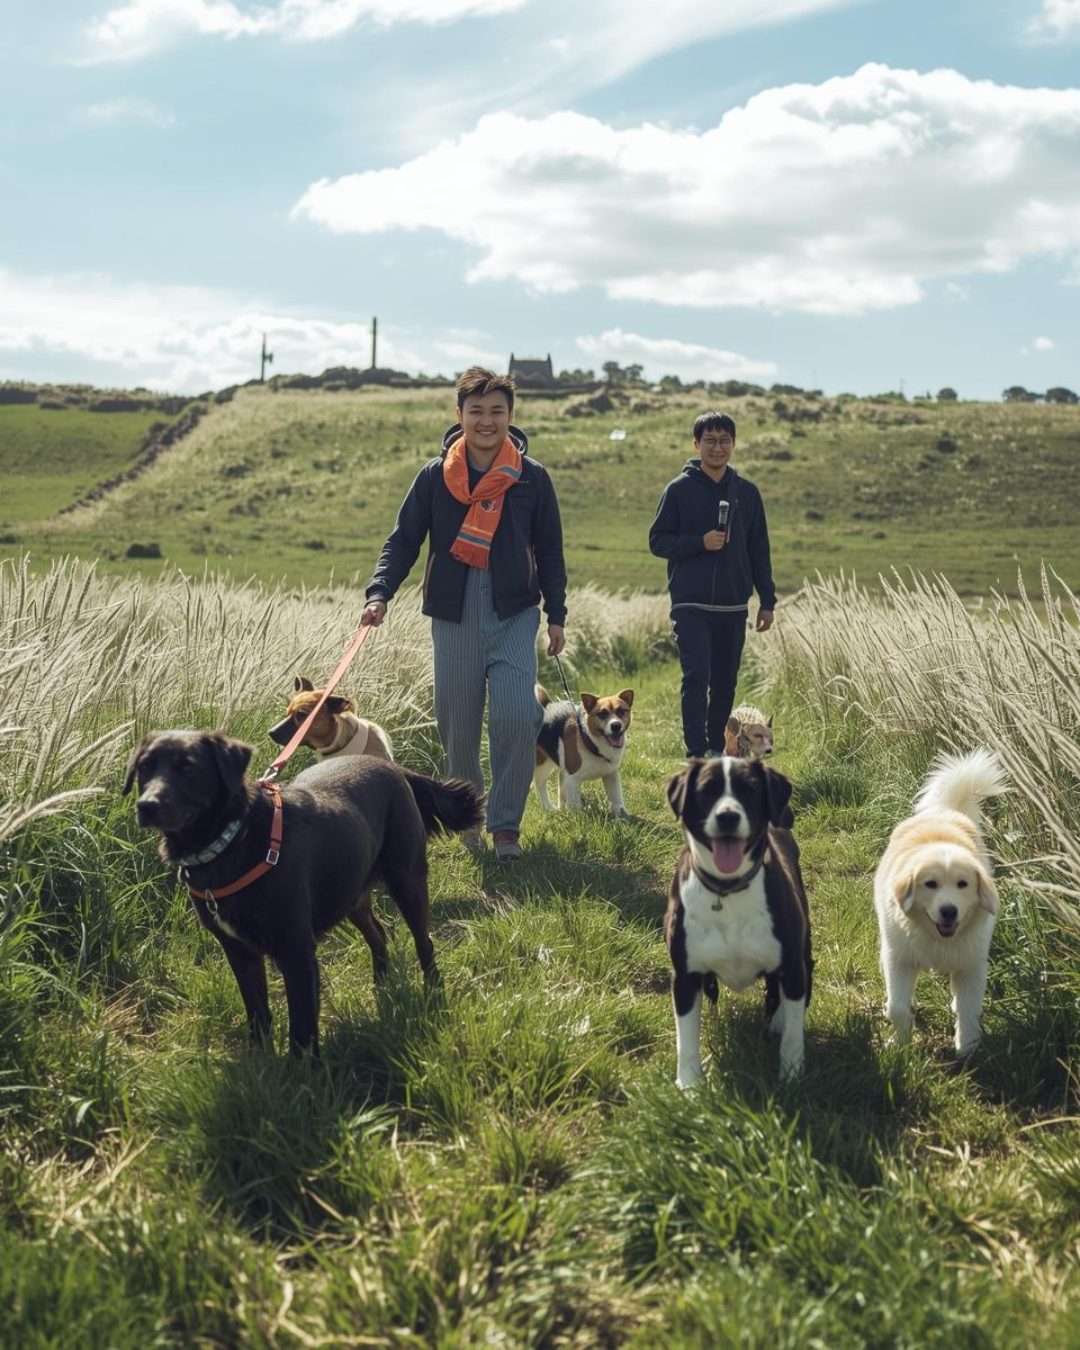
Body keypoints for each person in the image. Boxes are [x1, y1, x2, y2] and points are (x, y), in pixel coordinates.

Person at [361, 367, 567, 862]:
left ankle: (505, 827)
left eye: (497, 411)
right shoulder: (435, 477)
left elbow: (551, 550)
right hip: (452, 613)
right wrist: (380, 592)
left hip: (514, 611)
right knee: (457, 722)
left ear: (511, 417)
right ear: (460, 416)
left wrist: (556, 613)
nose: (487, 421)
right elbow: (404, 540)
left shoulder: (532, 478)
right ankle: (469, 814)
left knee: (519, 714)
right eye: (476, 411)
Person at [649, 411, 776, 760]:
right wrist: (699, 542)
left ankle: (717, 748)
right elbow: (658, 541)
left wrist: (767, 600)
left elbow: (759, 549)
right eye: (710, 440)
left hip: (734, 605)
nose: (717, 447)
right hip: (691, 604)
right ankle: (696, 750)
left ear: (733, 444)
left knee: (725, 683)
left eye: (724, 440)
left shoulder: (747, 494)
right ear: (696, 444)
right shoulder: (678, 490)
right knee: (696, 675)